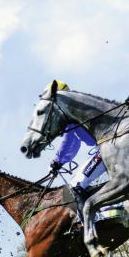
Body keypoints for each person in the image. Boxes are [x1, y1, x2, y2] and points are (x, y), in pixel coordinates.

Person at [46, 81, 106, 228]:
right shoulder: (79, 106)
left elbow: (70, 141)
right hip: (106, 146)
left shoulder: (70, 114)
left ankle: (95, 222)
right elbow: (72, 141)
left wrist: (57, 161)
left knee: (75, 186)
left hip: (106, 149)